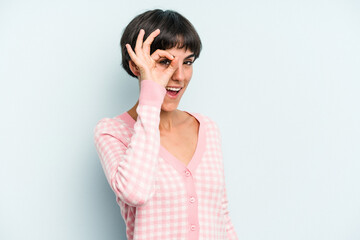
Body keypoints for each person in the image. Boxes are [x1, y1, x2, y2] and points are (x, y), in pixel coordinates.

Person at [94, 9, 238, 240]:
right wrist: (150, 94)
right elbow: (136, 193)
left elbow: (221, 216)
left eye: (188, 62)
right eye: (164, 62)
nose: (179, 75)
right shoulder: (112, 132)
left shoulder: (207, 128)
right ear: (135, 67)